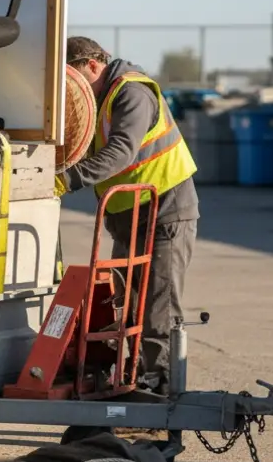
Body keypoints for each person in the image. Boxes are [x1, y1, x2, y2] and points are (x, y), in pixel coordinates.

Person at [55, 36, 200, 395]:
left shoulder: (130, 93)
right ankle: (135, 385)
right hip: (129, 218)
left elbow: (121, 151)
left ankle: (162, 393)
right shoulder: (96, 102)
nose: (71, 92)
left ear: (93, 65)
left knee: (158, 310)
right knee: (131, 308)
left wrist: (65, 181)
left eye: (74, 80)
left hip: (164, 212)